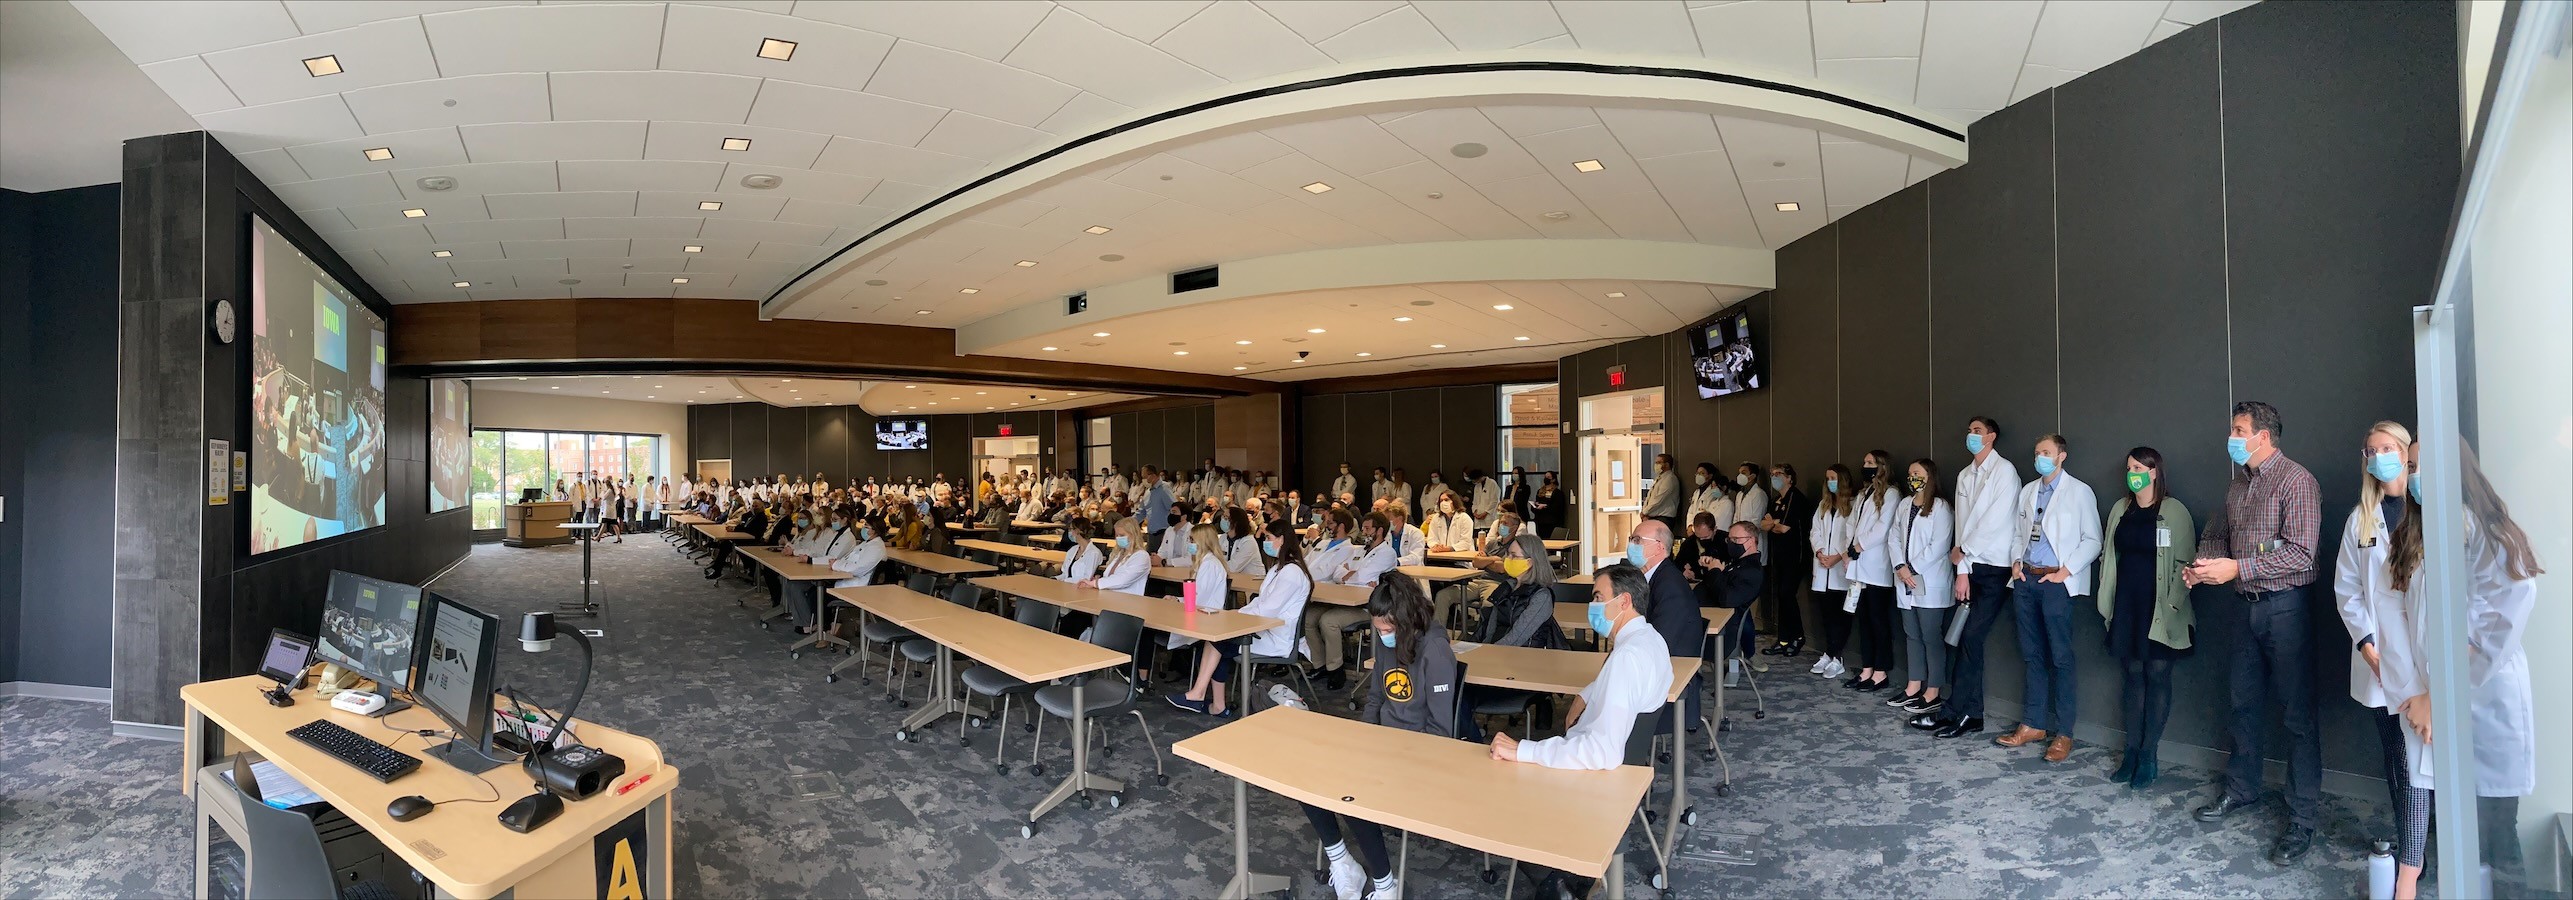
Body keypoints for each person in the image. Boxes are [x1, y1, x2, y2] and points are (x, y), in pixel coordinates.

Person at [2187, 401, 2324, 867]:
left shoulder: (2297, 481)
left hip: (2286, 611)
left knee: (2297, 717)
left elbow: (2302, 554)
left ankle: (2302, 819)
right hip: (2243, 610)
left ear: (2263, 436)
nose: (2233, 436)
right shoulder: (2238, 484)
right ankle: (2241, 790)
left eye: (2239, 429)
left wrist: (2238, 567)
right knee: (2242, 705)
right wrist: (2204, 568)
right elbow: (2214, 537)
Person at [1491, 563, 1672, 900]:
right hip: (1623, 766)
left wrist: (1525, 751)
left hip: (1597, 771)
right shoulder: (1651, 640)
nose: (1593, 606)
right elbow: (1620, 685)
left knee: (1498, 789)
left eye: (1598, 597)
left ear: (1624, 602)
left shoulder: (1625, 659)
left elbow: (1600, 752)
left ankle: (1563, 881)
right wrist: (1585, 695)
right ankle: (1569, 876)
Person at [1307, 575, 1455, 900]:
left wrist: (1394, 757)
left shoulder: (1436, 652)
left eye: (1389, 630)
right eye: (1379, 629)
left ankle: (1386, 885)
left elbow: (1441, 732)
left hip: (1417, 752)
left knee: (1351, 793)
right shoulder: (1385, 638)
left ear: (1408, 620)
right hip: (1383, 744)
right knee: (1309, 776)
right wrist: (1364, 739)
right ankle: (1341, 861)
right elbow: (1376, 698)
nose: (1383, 636)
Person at [2331, 423, 2427, 895]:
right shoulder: (2360, 519)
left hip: (2424, 658)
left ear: (2406, 452)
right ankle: (2413, 856)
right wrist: (2369, 649)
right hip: (2378, 662)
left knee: (2422, 763)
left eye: (2387, 448)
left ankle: (2415, 859)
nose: (2379, 457)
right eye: (2371, 451)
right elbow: (2347, 590)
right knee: (2398, 760)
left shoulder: (2427, 508)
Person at [1996, 434, 2101, 762]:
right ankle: (2033, 723)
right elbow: (2018, 532)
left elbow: (2092, 540)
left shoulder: (2079, 491)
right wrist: (2015, 561)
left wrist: (2066, 571)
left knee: (2060, 657)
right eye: (2037, 452)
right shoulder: (2029, 490)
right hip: (2026, 578)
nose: (2040, 457)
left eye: (2046, 452)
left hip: (2056, 582)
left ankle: (2064, 733)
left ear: (2061, 456)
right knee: (2031, 655)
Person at [2097, 446, 2194, 791]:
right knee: (2133, 676)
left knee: (2157, 674)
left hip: (2160, 609)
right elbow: (2109, 556)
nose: (2133, 472)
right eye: (2129, 467)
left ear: (2154, 472)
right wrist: (2106, 602)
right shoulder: (2120, 509)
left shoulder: (2173, 510)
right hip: (2127, 604)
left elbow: (2186, 562)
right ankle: (2131, 753)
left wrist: (2172, 604)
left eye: (2139, 467)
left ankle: (2150, 755)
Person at [1171, 520, 1312, 717]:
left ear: (1281, 539)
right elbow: (1259, 602)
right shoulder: (1279, 568)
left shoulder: (1292, 572)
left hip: (1278, 637)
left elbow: (1268, 609)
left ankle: (1201, 695)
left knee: (1218, 641)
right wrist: (1238, 613)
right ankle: (1210, 701)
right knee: (1217, 639)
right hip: (1264, 628)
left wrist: (1240, 616)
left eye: (1269, 538)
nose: (1266, 542)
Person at [1945, 416, 2023, 736]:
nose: (1971, 436)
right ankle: (1966, 713)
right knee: (1962, 638)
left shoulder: (2005, 472)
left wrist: (1963, 552)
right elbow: (1962, 525)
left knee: (1972, 637)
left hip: (1995, 569)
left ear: (1991, 436)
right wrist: (1961, 570)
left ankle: (1961, 710)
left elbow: (1994, 523)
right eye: (1969, 431)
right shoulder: (1965, 475)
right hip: (1970, 568)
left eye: (1977, 431)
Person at [1888, 459, 1958, 731]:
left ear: (1930, 476)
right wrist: (1900, 567)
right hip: (1905, 579)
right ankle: (1913, 686)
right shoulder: (1905, 504)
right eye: (1910, 473)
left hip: (1928, 579)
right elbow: (1894, 537)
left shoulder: (1941, 507)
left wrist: (1911, 568)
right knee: (1912, 635)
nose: (1912, 477)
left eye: (1917, 473)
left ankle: (1933, 691)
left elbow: (1939, 545)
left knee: (1931, 636)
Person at [1630, 520, 1704, 732]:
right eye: (1631, 539)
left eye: (1637, 540)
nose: (1632, 545)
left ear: (1660, 547)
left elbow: (1658, 643)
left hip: (1670, 676)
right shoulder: (1653, 577)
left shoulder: (1670, 586)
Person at [1807, 464, 1858, 680]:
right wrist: (1820, 552)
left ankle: (1838, 657)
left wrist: (1837, 556)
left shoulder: (1853, 505)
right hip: (1823, 566)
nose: (1830, 482)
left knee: (1841, 616)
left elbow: (1852, 536)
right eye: (1828, 478)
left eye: (1834, 478)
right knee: (1826, 615)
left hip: (1840, 567)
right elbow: (1815, 531)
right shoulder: (1823, 505)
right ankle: (1828, 653)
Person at [1758, 463, 1813, 657]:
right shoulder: (1776, 500)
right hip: (1779, 555)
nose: (1774, 477)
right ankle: (1783, 639)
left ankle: (1797, 636)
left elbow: (1784, 528)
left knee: (1787, 594)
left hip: (1794, 556)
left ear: (1789, 477)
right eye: (1772, 474)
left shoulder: (1794, 498)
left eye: (1779, 474)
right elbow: (1763, 524)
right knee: (1781, 596)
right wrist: (1774, 523)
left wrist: (1773, 523)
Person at [1686, 462, 1732, 538]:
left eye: (1702, 473)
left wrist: (1696, 528)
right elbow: (1691, 511)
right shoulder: (1696, 492)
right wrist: (1690, 526)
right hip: (1697, 528)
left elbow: (1712, 518)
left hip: (1707, 530)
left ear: (1710, 476)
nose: (1699, 475)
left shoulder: (1725, 502)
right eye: (1697, 473)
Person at [1642, 453, 1682, 536]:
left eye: (1659, 462)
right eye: (1656, 462)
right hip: (1653, 517)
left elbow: (1658, 499)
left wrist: (1645, 512)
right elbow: (1650, 497)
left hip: (1663, 518)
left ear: (1667, 464)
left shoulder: (1670, 479)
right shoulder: (1659, 478)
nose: (1656, 465)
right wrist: (1644, 511)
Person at [1220, 508, 1262, 575]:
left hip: (1252, 581)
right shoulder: (1223, 537)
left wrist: (1214, 567)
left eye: (1226, 517)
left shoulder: (1248, 542)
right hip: (1232, 578)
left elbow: (1233, 568)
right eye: (1223, 516)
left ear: (1236, 522)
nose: (1223, 520)